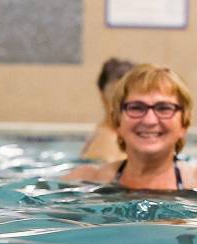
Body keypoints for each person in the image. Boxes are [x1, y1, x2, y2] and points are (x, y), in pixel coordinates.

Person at [65, 64, 196, 190]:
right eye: (136, 108)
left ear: (184, 124)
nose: (149, 120)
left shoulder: (193, 182)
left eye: (164, 108)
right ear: (117, 122)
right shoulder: (84, 181)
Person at [80, 57, 135, 162]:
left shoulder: (105, 135)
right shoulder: (109, 141)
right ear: (102, 96)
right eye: (116, 96)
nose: (125, 105)